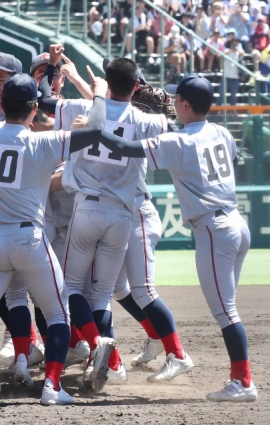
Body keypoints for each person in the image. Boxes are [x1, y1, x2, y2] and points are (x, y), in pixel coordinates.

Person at [0, 69, 117, 408]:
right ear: (31, 109)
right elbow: (98, 130)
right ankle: (51, 387)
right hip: (29, 239)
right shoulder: (40, 141)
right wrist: (99, 94)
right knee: (58, 316)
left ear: (2, 104)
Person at [95, 74, 257, 402]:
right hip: (238, 224)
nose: (172, 104)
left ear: (185, 104)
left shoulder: (179, 141)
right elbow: (231, 160)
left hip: (214, 230)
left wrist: (98, 121)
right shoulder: (222, 132)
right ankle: (240, 379)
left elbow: (125, 147)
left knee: (226, 312)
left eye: (176, 99)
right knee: (228, 309)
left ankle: (242, 382)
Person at [39, 49, 193, 387]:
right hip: (123, 214)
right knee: (105, 291)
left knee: (70, 289)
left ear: (107, 83)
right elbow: (171, 119)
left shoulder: (86, 109)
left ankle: (105, 352)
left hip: (89, 208)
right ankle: (114, 362)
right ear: (134, 85)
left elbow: (44, 101)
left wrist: (56, 70)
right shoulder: (146, 120)